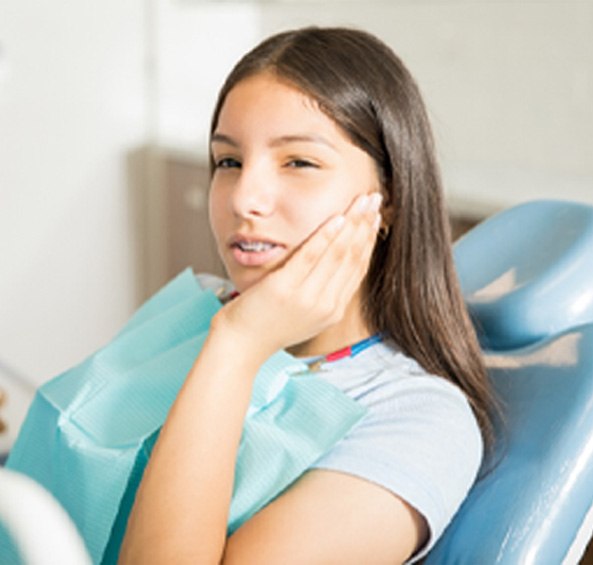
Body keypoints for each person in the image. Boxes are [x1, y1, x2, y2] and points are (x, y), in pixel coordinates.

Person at [119, 27, 499, 564]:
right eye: (228, 162)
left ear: (387, 199)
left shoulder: (419, 420)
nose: (245, 198)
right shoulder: (193, 308)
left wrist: (237, 347)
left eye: (298, 162)